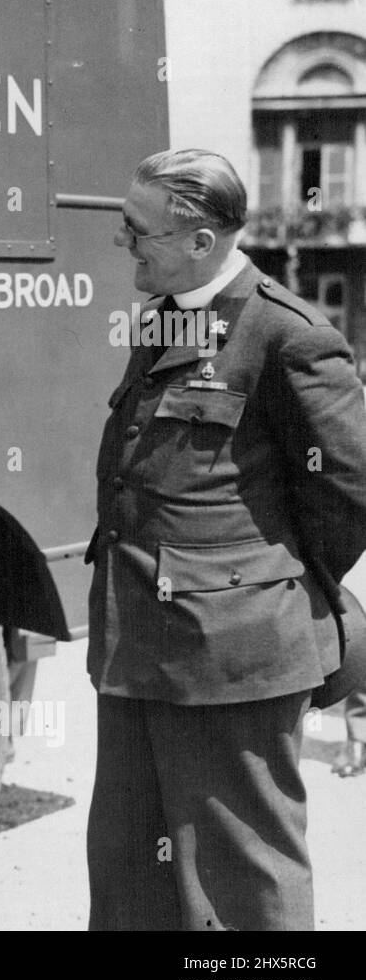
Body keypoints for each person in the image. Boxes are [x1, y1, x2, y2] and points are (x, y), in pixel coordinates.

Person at [85, 149, 366, 930]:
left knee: (243, 888)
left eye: (137, 229)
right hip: (139, 646)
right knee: (132, 880)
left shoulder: (287, 335)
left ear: (201, 241)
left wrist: (267, 587)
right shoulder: (167, 314)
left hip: (233, 658)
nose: (123, 242)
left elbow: (351, 489)